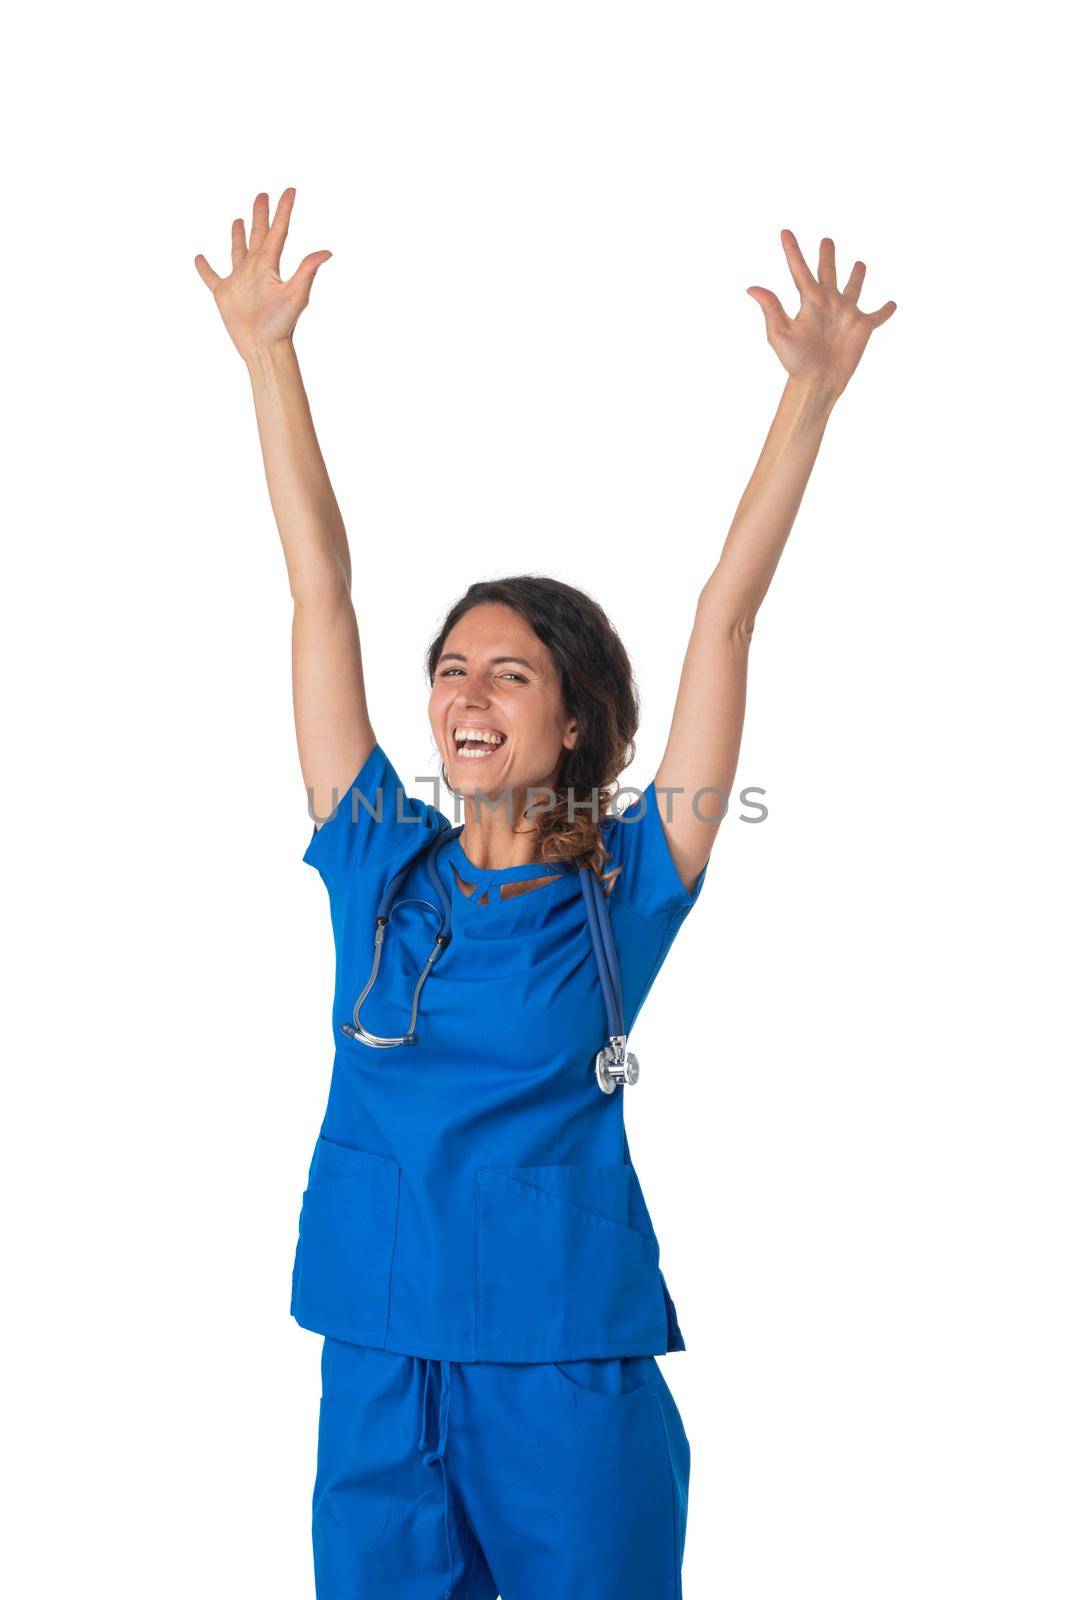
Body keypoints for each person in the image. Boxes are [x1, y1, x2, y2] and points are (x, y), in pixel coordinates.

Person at [195, 188, 895, 1600]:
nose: (466, 695)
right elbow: (318, 590)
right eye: (451, 669)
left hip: (563, 1374)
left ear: (572, 721)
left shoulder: (631, 884)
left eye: (509, 673)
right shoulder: (377, 864)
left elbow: (723, 615)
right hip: (382, 1360)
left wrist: (810, 395)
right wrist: (270, 358)